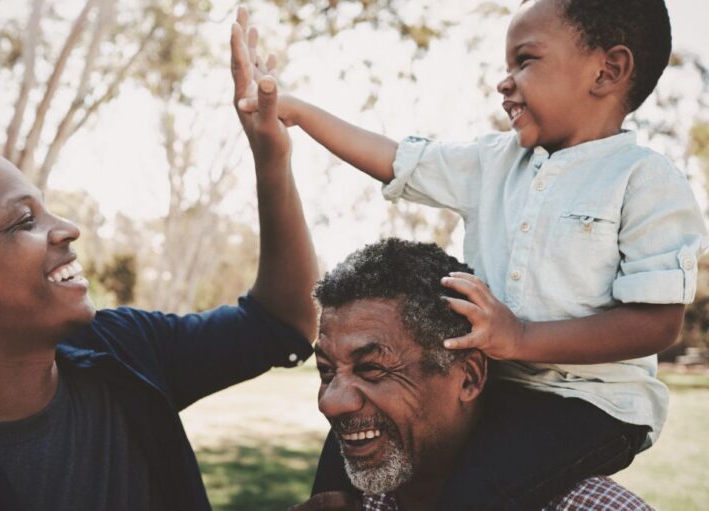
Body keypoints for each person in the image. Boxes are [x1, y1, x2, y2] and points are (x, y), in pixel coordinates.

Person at [236, 0, 708, 508]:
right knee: (354, 420)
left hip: (588, 405)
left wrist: (521, 337)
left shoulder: (644, 180)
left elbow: (657, 324)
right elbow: (396, 161)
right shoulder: (493, 162)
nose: (505, 82)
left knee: (473, 490)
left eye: (525, 61)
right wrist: (296, 111)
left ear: (608, 70)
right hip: (494, 387)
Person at [0, 8, 314, 510]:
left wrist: (271, 157)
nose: (68, 228)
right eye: (22, 221)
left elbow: (281, 323)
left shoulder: (125, 351)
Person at [290, 238, 653, 511]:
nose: (331, 403)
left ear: (469, 377)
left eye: (371, 369)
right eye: (326, 371)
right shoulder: (348, 501)